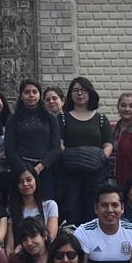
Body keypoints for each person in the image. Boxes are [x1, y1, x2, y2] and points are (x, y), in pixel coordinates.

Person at [56, 77, 113, 225]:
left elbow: (108, 144)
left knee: (93, 216)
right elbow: (58, 143)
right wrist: (74, 156)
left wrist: (99, 157)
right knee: (71, 218)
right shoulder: (62, 118)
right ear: (70, 94)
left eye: (83, 90)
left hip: (96, 176)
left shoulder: (101, 119)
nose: (79, 93)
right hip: (70, 177)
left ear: (90, 93)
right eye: (75, 90)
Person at [74, 184, 132, 263]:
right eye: (104, 205)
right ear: (96, 208)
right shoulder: (83, 232)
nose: (110, 210)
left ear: (122, 208)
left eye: (115, 205)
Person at [5, 79, 61, 204]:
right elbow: (9, 148)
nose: (31, 95)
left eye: (34, 92)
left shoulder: (50, 118)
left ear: (39, 95)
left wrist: (39, 168)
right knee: (20, 207)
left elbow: (56, 148)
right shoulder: (13, 118)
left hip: (45, 171)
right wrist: (23, 170)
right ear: (21, 96)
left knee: (46, 206)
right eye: (27, 92)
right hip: (20, 171)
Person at [7, 166, 59, 253]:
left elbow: (51, 237)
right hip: (20, 256)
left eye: (29, 180)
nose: (25, 184)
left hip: (45, 254)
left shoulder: (50, 205)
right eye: (20, 182)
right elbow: (9, 245)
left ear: (36, 180)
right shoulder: (11, 209)